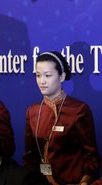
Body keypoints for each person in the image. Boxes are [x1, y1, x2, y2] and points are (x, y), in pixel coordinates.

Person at [23, 51, 100, 185]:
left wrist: (85, 181)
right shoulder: (33, 111)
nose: (42, 81)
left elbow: (91, 156)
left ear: (62, 76)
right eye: (38, 75)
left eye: (47, 75)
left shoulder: (79, 109)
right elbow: (30, 157)